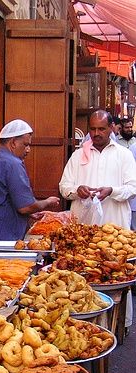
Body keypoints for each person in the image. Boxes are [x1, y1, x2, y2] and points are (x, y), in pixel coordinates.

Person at [59, 109, 136, 330]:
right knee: (82, 274)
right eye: (92, 129)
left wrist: (111, 190)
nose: (96, 133)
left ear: (112, 128)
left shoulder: (123, 155)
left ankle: (120, 325)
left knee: (117, 276)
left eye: (101, 128)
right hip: (83, 232)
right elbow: (64, 187)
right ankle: (82, 325)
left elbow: (132, 187)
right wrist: (77, 190)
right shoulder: (78, 155)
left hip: (115, 229)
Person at [0, 119, 60, 241]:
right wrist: (48, 202)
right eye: (26, 145)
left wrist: (29, 213)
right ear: (13, 143)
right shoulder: (12, 164)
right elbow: (26, 207)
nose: (28, 150)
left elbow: (1, 199)